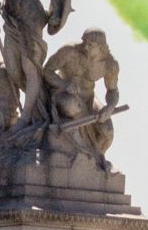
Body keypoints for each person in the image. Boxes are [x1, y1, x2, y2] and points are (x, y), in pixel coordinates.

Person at [43, 28, 120, 170]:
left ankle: (97, 159)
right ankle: (82, 153)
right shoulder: (69, 51)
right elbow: (47, 71)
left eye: (91, 45)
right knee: (72, 106)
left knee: (107, 130)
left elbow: (112, 91)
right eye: (84, 42)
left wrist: (109, 107)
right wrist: (64, 84)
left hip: (89, 98)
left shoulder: (110, 64)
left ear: (101, 47)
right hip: (63, 94)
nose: (85, 46)